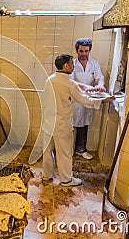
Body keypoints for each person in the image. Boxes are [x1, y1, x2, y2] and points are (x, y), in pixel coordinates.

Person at [42, 54, 114, 187]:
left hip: (47, 122)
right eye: (71, 64)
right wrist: (104, 100)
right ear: (65, 66)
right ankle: (66, 180)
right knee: (64, 153)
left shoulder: (49, 79)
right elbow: (85, 101)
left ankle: (46, 175)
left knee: (47, 152)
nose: (73, 66)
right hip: (61, 125)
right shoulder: (69, 83)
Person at [71, 38, 106, 160]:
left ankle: (81, 149)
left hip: (88, 99)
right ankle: (69, 150)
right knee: (71, 124)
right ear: (77, 51)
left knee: (84, 123)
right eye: (81, 51)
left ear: (89, 50)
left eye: (86, 51)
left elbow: (99, 77)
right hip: (75, 99)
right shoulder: (72, 64)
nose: (84, 54)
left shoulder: (94, 64)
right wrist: (87, 88)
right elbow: (72, 83)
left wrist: (100, 85)